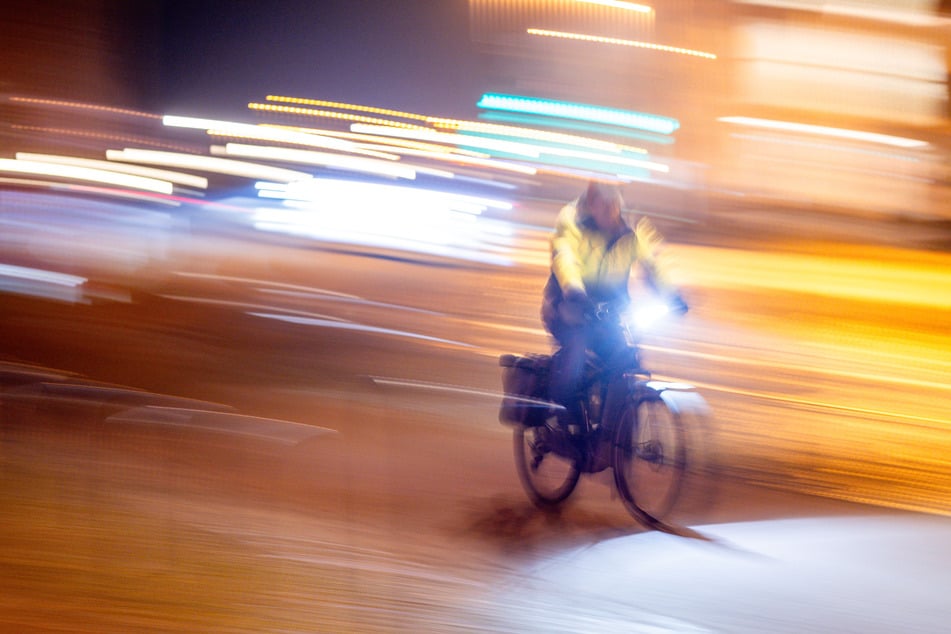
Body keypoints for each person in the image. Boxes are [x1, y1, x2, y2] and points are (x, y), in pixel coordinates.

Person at [541, 180, 686, 430]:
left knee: (624, 361)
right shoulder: (572, 221)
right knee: (575, 360)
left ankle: (617, 438)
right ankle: (568, 420)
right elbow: (565, 257)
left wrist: (673, 295)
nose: (611, 210)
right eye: (604, 205)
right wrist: (573, 288)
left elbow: (654, 264)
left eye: (615, 204)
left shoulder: (632, 231)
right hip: (568, 310)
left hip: (608, 314)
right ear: (592, 205)